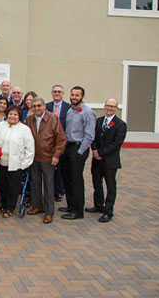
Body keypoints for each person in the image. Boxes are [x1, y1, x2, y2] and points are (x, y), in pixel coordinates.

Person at [25, 97, 67, 224]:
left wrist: (56, 155)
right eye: (34, 106)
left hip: (48, 157)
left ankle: (49, 212)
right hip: (34, 157)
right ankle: (37, 206)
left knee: (48, 185)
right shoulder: (29, 119)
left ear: (44, 106)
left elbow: (61, 139)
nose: (36, 108)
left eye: (39, 105)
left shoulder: (53, 118)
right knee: (35, 183)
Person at [59, 86, 96, 220]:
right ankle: (70, 205)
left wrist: (80, 152)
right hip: (68, 147)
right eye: (72, 95)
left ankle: (78, 211)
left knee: (76, 180)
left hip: (78, 148)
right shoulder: (71, 110)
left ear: (82, 97)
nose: (74, 97)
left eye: (77, 95)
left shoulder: (87, 112)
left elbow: (90, 136)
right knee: (67, 179)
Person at [87, 98, 127, 223]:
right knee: (96, 182)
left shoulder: (120, 124)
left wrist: (101, 152)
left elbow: (117, 143)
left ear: (116, 108)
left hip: (110, 160)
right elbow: (92, 137)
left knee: (110, 186)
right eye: (107, 105)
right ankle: (98, 205)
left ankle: (108, 211)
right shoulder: (98, 121)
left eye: (112, 106)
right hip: (96, 159)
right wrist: (94, 150)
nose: (109, 108)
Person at [0, 105, 35, 218]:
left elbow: (30, 148)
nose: (12, 116)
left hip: (16, 165)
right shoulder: (0, 126)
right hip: (1, 163)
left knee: (13, 187)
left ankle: (10, 207)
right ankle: (3, 205)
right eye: (10, 114)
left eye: (15, 114)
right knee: (2, 185)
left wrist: (24, 164)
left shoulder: (24, 129)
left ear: (19, 116)